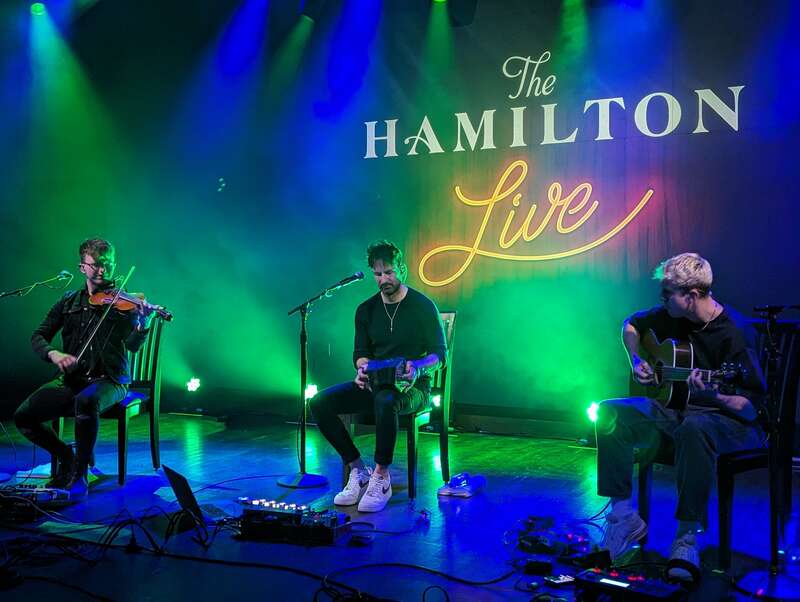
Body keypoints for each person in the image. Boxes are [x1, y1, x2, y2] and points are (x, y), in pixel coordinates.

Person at [596, 252, 766, 581]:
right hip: (678, 410)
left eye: (667, 293)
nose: (661, 299)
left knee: (694, 427)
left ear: (690, 296)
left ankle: (686, 536)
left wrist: (713, 394)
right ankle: (623, 516)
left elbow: (751, 408)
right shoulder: (670, 316)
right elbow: (630, 325)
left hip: (727, 423)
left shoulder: (735, 334)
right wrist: (636, 359)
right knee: (610, 412)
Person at [310, 241, 447, 513]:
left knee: (386, 400)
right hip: (375, 384)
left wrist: (418, 366)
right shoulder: (366, 310)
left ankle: (381, 477)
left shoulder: (422, 306)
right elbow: (360, 353)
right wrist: (362, 369)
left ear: (402, 270)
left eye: (389, 273)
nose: (384, 279)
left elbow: (440, 355)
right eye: (378, 274)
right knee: (319, 403)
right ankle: (359, 470)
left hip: (413, 388)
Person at [14, 238, 156, 500]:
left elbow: (133, 346)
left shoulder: (125, 303)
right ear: (82, 267)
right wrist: (54, 353)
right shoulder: (68, 302)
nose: (103, 271)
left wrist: (142, 325)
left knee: (86, 400)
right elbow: (39, 336)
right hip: (72, 379)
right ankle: (67, 456)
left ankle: (79, 476)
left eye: (108, 265)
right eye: (97, 265)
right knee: (23, 416)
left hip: (111, 379)